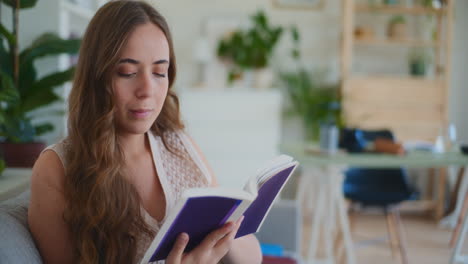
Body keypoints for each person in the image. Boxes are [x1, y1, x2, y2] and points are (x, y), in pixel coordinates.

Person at [27, 1, 262, 263]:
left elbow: (252, 256)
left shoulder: (179, 146)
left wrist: (228, 237)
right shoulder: (57, 167)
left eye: (160, 72)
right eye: (127, 72)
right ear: (97, 76)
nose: (147, 90)